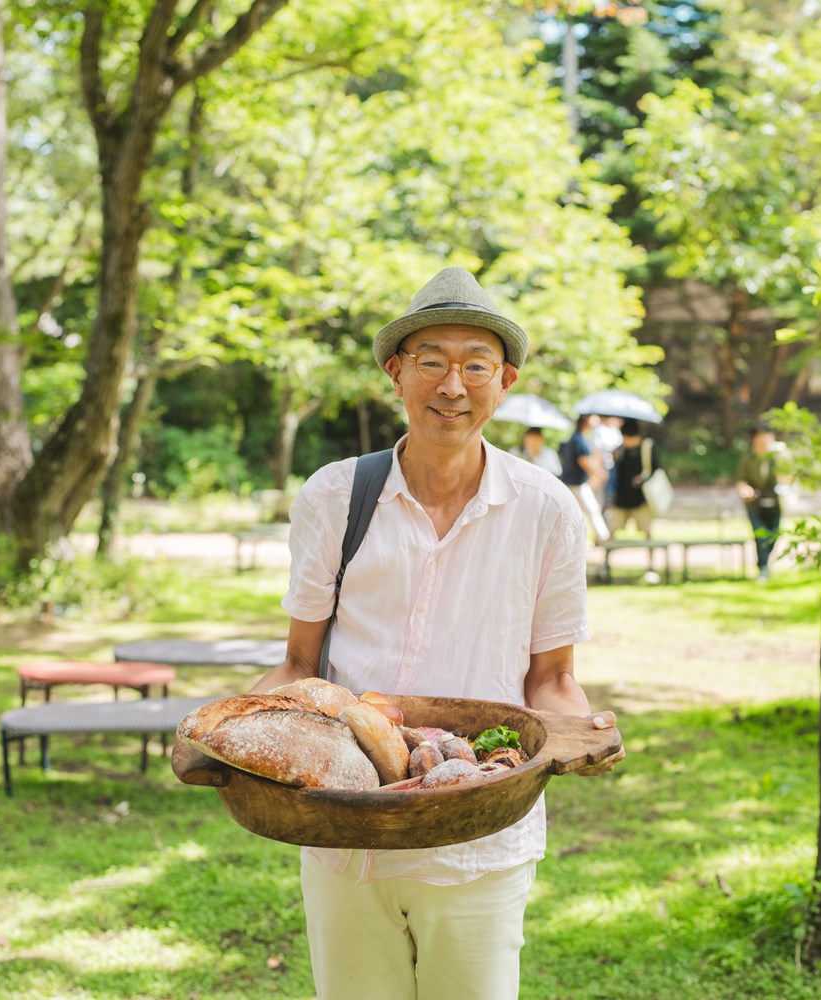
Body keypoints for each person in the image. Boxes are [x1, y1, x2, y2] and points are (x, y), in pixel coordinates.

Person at [247, 266, 624, 1000]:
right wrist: (229, 727)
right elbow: (298, 664)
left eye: (474, 365)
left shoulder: (546, 510)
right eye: (432, 362)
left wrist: (582, 730)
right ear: (397, 373)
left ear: (503, 380)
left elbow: (549, 678)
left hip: (479, 837)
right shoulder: (335, 495)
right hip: (345, 831)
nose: (452, 385)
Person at [735, 422, 784, 582]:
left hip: (776, 503)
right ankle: (763, 567)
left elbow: (789, 476)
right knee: (760, 535)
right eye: (759, 436)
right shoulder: (748, 459)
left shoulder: (779, 456)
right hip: (755, 504)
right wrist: (745, 489)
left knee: (774, 535)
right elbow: (741, 480)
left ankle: (764, 563)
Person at [559, 413, 610, 543]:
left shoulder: (577, 438)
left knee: (579, 513)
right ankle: (603, 538)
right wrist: (599, 473)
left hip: (573, 483)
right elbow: (583, 461)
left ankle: (593, 539)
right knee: (592, 509)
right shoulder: (577, 440)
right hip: (576, 484)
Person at [605, 418, 658, 540]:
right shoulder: (620, 449)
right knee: (613, 529)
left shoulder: (647, 447)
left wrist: (642, 479)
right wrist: (615, 458)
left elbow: (656, 469)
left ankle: (653, 557)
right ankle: (606, 557)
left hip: (641, 497)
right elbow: (617, 471)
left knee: (647, 531)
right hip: (622, 496)